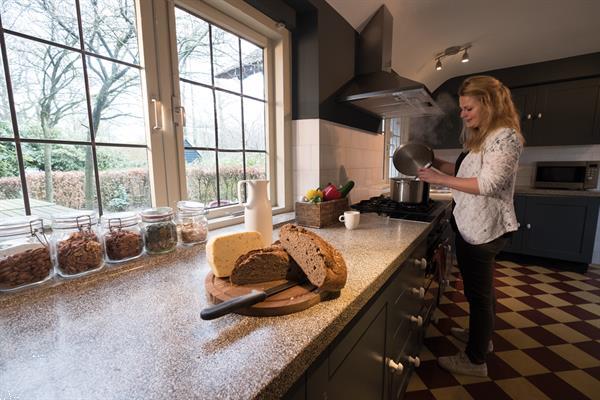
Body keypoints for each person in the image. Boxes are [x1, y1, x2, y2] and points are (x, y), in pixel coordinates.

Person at [417, 75, 524, 377]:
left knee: (478, 296)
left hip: (484, 229)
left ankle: (475, 360)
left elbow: (489, 183)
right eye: (461, 108)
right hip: (472, 225)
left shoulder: (505, 137)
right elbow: (464, 171)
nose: (462, 114)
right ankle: (482, 339)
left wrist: (440, 180)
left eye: (468, 108)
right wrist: (435, 162)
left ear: (488, 104)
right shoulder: (485, 137)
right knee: (482, 291)